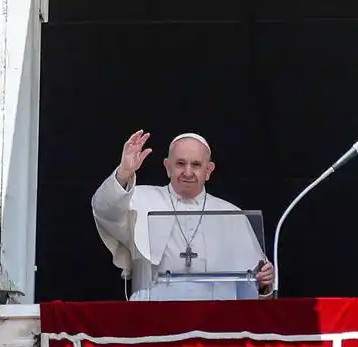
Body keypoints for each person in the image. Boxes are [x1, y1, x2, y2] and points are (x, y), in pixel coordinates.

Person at [91, 129, 275, 301]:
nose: (188, 172)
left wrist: (264, 283)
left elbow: (254, 284)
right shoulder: (139, 199)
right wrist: (124, 172)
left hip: (217, 319)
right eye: (180, 163)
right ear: (167, 167)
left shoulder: (232, 215)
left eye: (196, 164)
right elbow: (105, 210)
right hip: (154, 314)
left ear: (208, 170)